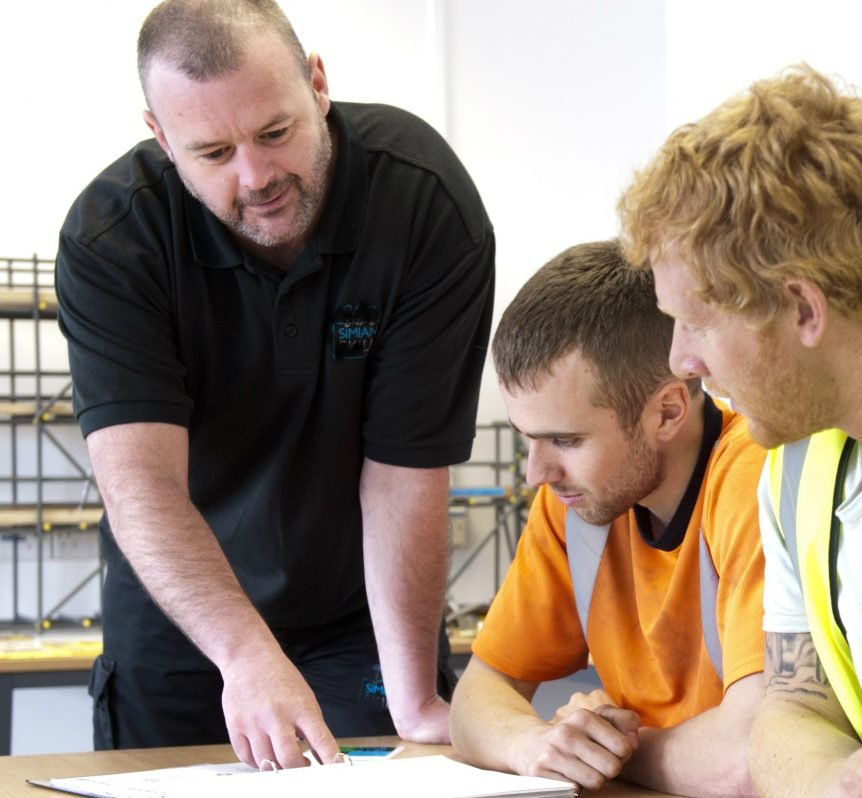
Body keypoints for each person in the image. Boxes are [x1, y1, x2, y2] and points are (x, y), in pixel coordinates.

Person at [55, 0, 494, 769]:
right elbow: (144, 488)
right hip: (184, 613)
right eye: (214, 153)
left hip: (360, 607)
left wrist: (415, 698)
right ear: (162, 140)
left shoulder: (422, 204)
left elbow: (403, 474)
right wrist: (245, 653)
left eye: (274, 133)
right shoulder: (112, 241)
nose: (256, 178)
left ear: (317, 85)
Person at [617, 64, 862, 796]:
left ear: (802, 309)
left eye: (697, 322)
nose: (680, 361)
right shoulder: (796, 473)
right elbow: (796, 703)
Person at [449, 240, 766, 797]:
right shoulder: (575, 501)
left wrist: (613, 751)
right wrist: (539, 745)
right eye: (529, 440)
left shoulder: (754, 482)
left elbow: (749, 757)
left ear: (668, 410)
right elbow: (478, 696)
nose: (536, 473)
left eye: (565, 440)